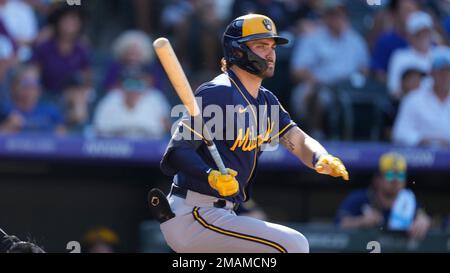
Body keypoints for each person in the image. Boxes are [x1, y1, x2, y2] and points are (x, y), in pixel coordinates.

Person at [159, 14, 349, 253]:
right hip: (193, 213)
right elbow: (177, 152)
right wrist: (211, 176)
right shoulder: (217, 93)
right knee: (293, 245)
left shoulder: (267, 101)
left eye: (272, 47)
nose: (270, 54)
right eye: (261, 46)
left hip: (222, 213)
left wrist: (320, 157)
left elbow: (297, 140)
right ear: (237, 51)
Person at [290, 0, 369, 138]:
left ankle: (360, 138)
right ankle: (315, 133)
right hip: (320, 86)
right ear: (325, 16)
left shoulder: (354, 39)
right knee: (313, 94)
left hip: (348, 88)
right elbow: (297, 70)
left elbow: (365, 69)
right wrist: (313, 80)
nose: (337, 18)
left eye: (341, 14)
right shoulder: (312, 37)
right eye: (333, 14)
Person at [336, 152, 431, 240]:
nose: (395, 180)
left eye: (400, 175)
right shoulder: (359, 198)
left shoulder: (408, 201)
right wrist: (362, 221)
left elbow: (422, 216)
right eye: (390, 175)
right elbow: (339, 224)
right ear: (377, 179)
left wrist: (423, 220)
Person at [392, 47, 450, 147]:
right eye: (440, 72)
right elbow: (399, 132)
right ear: (431, 73)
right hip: (421, 158)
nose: (444, 76)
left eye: (448, 72)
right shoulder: (413, 99)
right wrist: (420, 140)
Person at [93, 70, 170, 139]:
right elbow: (98, 130)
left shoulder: (155, 97)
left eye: (138, 83)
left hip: (150, 147)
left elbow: (167, 128)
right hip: (115, 149)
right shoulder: (111, 98)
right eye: (129, 83)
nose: (133, 88)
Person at [0, 65, 65, 134]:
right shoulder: (4, 110)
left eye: (34, 83)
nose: (30, 88)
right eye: (25, 83)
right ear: (14, 87)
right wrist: (8, 126)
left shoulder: (51, 111)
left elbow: (63, 138)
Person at [387, 11, 435, 99]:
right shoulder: (399, 57)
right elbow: (394, 90)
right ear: (409, 35)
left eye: (426, 32)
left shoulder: (442, 54)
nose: (423, 36)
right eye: (418, 33)